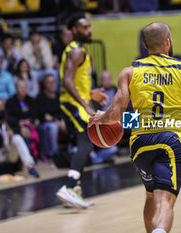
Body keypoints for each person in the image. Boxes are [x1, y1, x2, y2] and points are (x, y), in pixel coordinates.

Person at [88, 22, 181, 233]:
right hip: (171, 141)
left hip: (140, 144)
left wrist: (102, 118)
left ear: (145, 46)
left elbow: (117, 115)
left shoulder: (129, 72)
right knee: (165, 198)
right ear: (168, 42)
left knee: (151, 194)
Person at [55, 13, 109, 208]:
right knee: (87, 140)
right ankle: (69, 187)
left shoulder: (78, 50)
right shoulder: (76, 51)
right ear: (74, 30)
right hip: (72, 103)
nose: (89, 30)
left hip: (77, 101)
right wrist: (84, 103)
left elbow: (75, 81)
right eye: (84, 27)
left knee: (85, 142)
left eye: (89, 27)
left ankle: (75, 189)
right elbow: (67, 80)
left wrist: (91, 94)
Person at [0, 98, 39, 181]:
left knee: (17, 138)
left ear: (3, 107)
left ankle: (30, 166)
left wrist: (14, 131)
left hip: (10, 153)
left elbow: (27, 133)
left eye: (0, 107)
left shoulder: (10, 119)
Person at [90, 70, 118, 164]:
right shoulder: (97, 92)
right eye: (104, 79)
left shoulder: (116, 89)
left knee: (133, 118)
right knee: (113, 149)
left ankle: (135, 146)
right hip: (103, 120)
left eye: (108, 78)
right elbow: (95, 110)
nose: (106, 81)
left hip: (116, 118)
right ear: (100, 81)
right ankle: (96, 158)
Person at [5, 80, 39, 158]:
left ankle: (38, 155)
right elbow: (8, 117)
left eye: (25, 87)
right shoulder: (10, 102)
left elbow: (35, 114)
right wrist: (19, 122)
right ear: (16, 89)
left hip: (31, 124)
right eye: (21, 87)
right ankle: (27, 157)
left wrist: (30, 121)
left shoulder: (31, 100)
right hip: (16, 125)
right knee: (25, 131)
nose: (23, 89)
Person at [36, 74, 66, 158]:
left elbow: (62, 111)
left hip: (58, 121)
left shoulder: (59, 96)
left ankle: (73, 149)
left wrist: (63, 121)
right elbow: (45, 116)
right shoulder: (41, 97)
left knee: (71, 122)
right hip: (44, 124)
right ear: (45, 84)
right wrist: (57, 122)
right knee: (53, 127)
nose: (52, 84)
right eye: (49, 82)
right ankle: (54, 154)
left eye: (53, 82)